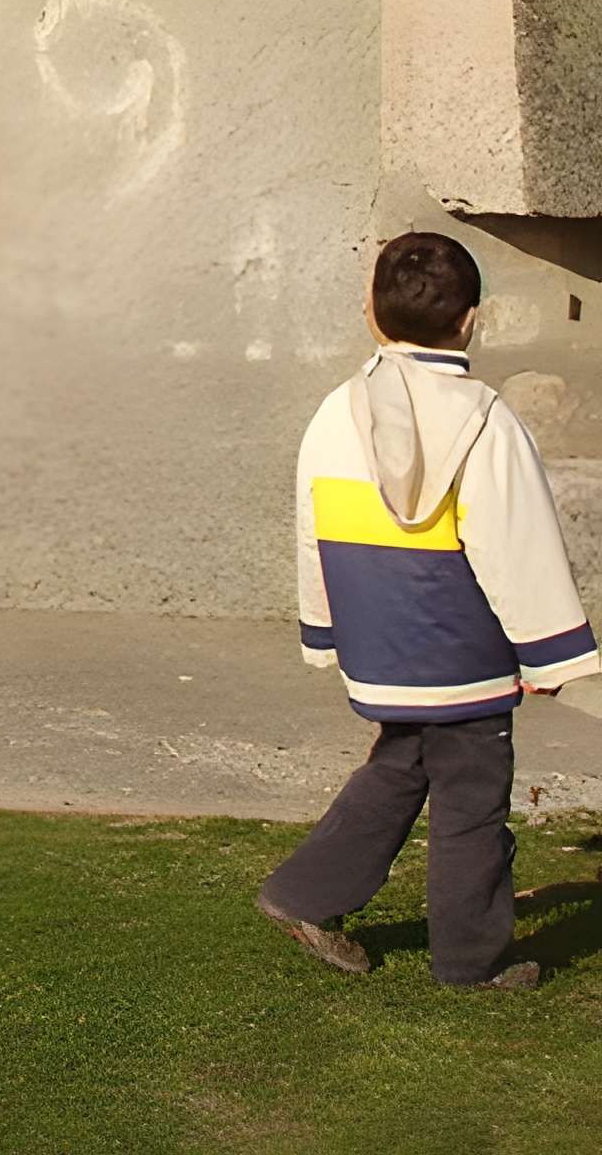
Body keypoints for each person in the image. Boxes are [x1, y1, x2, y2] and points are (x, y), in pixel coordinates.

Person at [258, 230, 601, 987]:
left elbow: (313, 531)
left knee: (404, 761)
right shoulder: (486, 421)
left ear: (373, 314)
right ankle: (472, 962)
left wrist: (325, 632)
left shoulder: (335, 412)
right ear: (471, 319)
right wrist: (549, 654)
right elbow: (517, 547)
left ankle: (302, 895)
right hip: (464, 655)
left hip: (380, 645)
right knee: (473, 798)